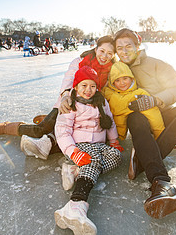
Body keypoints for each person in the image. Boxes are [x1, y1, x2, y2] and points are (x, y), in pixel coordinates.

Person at [114, 28, 176, 218]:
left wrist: (156, 100)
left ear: (137, 45)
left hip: (160, 113)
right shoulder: (117, 69)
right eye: (119, 48)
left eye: (128, 46)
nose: (124, 51)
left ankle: (142, 159)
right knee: (136, 118)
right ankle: (161, 182)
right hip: (137, 118)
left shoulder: (156, 64)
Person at [7, 36, 115, 158]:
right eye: (102, 51)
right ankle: (7, 127)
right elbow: (68, 80)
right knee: (41, 129)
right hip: (71, 101)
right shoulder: (80, 61)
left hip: (91, 109)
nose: (104, 56)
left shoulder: (113, 69)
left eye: (109, 53)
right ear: (96, 49)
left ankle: (49, 141)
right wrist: (65, 97)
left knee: (81, 136)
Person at [54, 66, 123, 234]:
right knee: (92, 161)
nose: (88, 90)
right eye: (84, 85)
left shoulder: (101, 102)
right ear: (76, 87)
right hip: (80, 144)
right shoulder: (71, 103)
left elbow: (110, 121)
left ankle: (76, 171)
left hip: (99, 143)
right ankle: (75, 205)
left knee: (116, 156)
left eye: (92, 86)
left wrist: (113, 141)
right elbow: (62, 130)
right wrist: (73, 152)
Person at [102, 61, 165, 141]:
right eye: (117, 80)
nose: (122, 83)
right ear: (113, 83)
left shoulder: (139, 93)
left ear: (131, 79)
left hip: (137, 127)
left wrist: (159, 134)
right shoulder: (109, 94)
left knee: (139, 118)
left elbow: (154, 114)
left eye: (125, 78)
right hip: (113, 135)